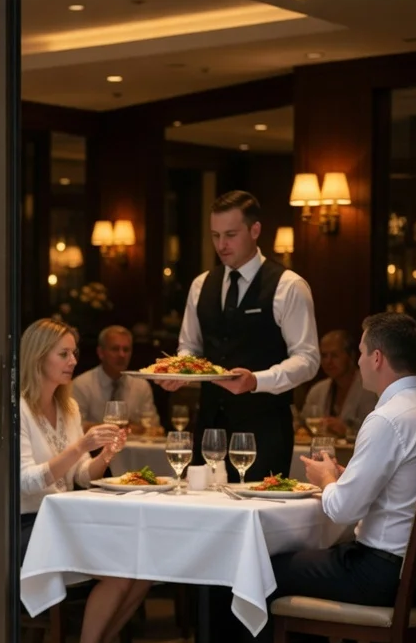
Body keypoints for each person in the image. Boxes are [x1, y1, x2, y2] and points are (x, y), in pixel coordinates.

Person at [254, 312, 416, 643]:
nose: (360, 360)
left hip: (379, 572)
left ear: (378, 357)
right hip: (413, 573)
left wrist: (327, 479)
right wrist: (347, 479)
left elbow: (342, 511)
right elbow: (399, 489)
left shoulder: (386, 418)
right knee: (299, 562)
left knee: (262, 570)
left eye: (362, 352)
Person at [0, 318, 151, 643]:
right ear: (39, 357)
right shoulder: (10, 411)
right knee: (119, 572)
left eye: (74, 352)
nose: (73, 360)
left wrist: (104, 456)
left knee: (142, 570)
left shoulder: (67, 407)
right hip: (14, 528)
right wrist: (80, 446)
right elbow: (24, 482)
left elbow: (80, 476)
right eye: (64, 354)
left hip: (58, 523)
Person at [162, 191, 320, 482]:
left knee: (258, 506)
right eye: (215, 235)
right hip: (209, 426)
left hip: (265, 428)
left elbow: (308, 360)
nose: (221, 245)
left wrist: (257, 380)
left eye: (231, 235)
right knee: (203, 505)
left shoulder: (288, 286)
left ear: (255, 230)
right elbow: (189, 347)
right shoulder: (201, 285)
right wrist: (180, 370)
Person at [71, 325, 158, 432]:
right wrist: (114, 428)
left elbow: (153, 426)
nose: (121, 355)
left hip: (133, 443)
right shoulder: (81, 385)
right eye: (115, 349)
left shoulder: (141, 386)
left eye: (126, 350)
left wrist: (137, 428)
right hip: (95, 443)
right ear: (101, 353)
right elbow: (74, 426)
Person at [302, 329, 376, 439]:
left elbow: (378, 433)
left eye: (334, 355)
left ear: (351, 356)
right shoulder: (317, 391)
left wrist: (348, 431)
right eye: (324, 356)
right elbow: (303, 427)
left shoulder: (370, 389)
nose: (328, 361)